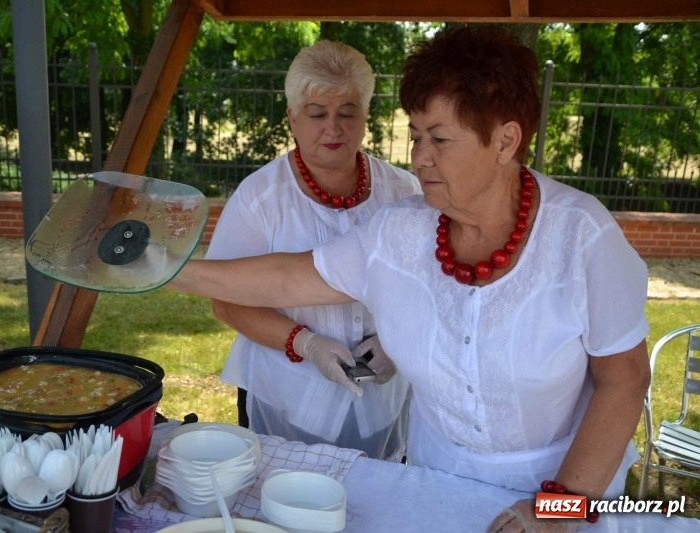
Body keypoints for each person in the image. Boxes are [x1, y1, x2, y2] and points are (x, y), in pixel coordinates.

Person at [169, 26, 650, 532]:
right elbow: (289, 280)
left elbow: (624, 379)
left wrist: (559, 509)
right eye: (417, 135)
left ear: (505, 141)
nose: (419, 156)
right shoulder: (400, 229)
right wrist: (165, 270)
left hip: (566, 485)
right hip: (432, 486)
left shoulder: (582, 235)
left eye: (439, 139)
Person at [204, 39, 420, 462]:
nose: (333, 129)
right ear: (292, 119)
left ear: (366, 116)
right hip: (287, 395)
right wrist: (305, 343)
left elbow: (427, 286)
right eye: (317, 114)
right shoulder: (259, 199)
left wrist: (397, 340)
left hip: (382, 398)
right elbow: (226, 303)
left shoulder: (403, 192)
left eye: (347, 113)